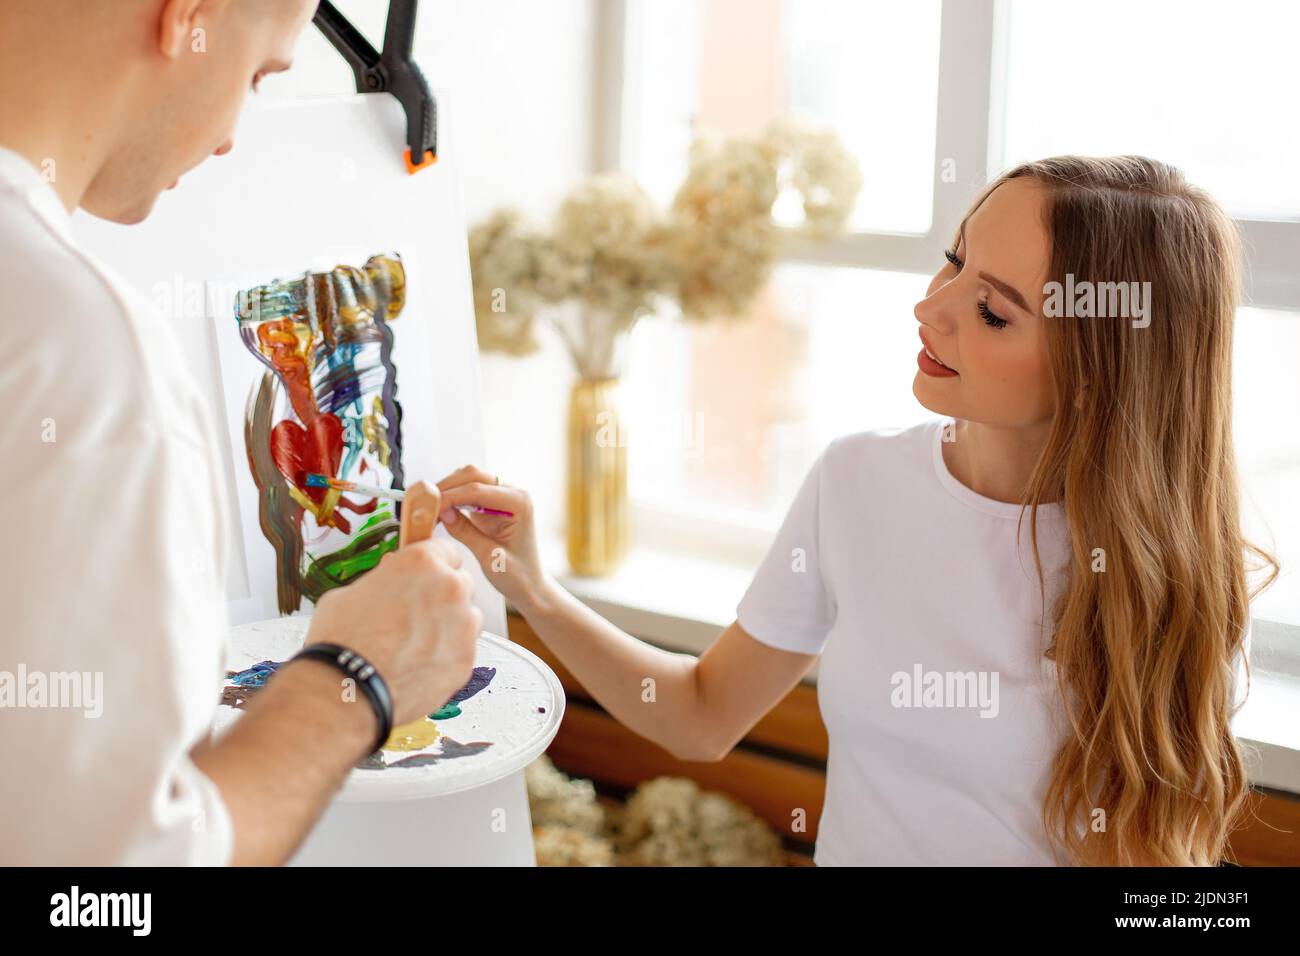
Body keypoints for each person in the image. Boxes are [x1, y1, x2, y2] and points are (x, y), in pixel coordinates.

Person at [440, 157, 1278, 866]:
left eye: (991, 310)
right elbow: (699, 716)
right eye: (952, 261)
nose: (931, 309)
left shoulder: (1173, 578)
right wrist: (534, 591)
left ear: (1104, 366)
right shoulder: (858, 483)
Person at [0, 0, 481, 866]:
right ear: (190, 16)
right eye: (261, 76)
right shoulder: (75, 347)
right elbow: (106, 894)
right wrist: (353, 674)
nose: (230, 141)